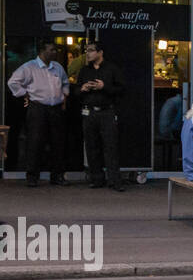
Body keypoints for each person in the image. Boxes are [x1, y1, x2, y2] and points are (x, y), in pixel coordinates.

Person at [7, 40, 70, 187]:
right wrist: (25, 94)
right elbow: (13, 82)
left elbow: (65, 82)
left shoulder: (58, 67)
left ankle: (57, 176)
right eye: (52, 50)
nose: (55, 52)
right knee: (35, 142)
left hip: (56, 108)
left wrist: (64, 95)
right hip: (38, 108)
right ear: (42, 51)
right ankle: (32, 176)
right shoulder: (29, 67)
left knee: (58, 142)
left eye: (55, 50)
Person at [75, 40, 126, 191]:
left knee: (110, 146)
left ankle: (114, 181)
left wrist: (104, 87)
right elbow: (76, 91)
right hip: (89, 111)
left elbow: (122, 89)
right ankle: (96, 179)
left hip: (106, 111)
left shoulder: (112, 69)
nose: (88, 53)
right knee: (91, 146)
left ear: (100, 52)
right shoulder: (84, 70)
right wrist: (83, 88)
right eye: (86, 50)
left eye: (91, 50)